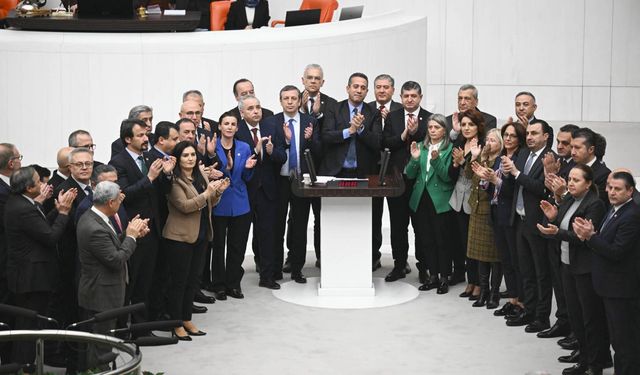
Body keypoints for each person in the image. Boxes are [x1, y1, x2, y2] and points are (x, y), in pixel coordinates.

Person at [537, 164, 610, 375]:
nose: (570, 183)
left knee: (589, 319)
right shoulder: (569, 199)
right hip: (567, 264)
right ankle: (583, 356)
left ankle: (593, 365)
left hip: (584, 268)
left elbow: (582, 238)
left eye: (576, 180)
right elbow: (563, 225)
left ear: (588, 184)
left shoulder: (594, 204)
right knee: (576, 317)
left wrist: (556, 232)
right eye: (569, 178)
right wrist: (553, 218)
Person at [4, 166, 76, 369]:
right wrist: (63, 213)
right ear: (28, 188)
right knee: (28, 328)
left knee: (29, 326)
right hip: (31, 279)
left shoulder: (21, 202)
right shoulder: (24, 208)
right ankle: (24, 368)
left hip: (28, 275)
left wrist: (54, 210)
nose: (44, 185)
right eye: (40, 182)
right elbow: (50, 237)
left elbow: (41, 226)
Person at [573, 171, 640, 375]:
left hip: (622, 289)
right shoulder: (615, 210)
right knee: (616, 339)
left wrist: (590, 237)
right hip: (609, 286)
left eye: (617, 189)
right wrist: (593, 234)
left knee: (624, 342)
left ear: (630, 191)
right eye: (609, 187)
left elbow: (617, 252)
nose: (611, 192)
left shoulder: (632, 215)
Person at [76, 181, 148, 370]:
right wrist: (131, 237)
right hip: (101, 294)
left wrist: (132, 234)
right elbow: (116, 260)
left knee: (104, 340)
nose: (120, 203)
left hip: (105, 290)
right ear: (110, 202)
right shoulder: (94, 227)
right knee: (101, 343)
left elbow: (111, 246)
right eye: (118, 200)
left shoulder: (97, 217)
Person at [109, 119, 174, 329]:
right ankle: (124, 328)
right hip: (134, 229)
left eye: (147, 134)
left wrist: (167, 174)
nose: (146, 138)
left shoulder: (148, 156)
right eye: (140, 135)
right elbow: (124, 195)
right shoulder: (119, 162)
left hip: (153, 227)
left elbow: (162, 191)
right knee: (133, 281)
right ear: (128, 139)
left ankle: (142, 325)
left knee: (148, 279)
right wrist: (149, 177)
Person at [163, 141, 228, 340]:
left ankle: (186, 319)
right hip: (179, 238)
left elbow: (208, 203)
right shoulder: (174, 180)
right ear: (178, 159)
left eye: (192, 154)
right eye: (185, 155)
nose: (190, 158)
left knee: (192, 282)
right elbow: (184, 206)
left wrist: (217, 192)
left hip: (200, 234)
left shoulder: (200, 177)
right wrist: (207, 193)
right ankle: (176, 323)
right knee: (179, 283)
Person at [501, 119, 554, 333]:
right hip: (519, 219)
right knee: (526, 270)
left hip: (537, 222)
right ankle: (529, 310)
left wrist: (515, 174)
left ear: (545, 136)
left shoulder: (549, 159)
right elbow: (516, 184)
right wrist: (506, 175)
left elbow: (542, 189)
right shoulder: (523, 154)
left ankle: (542, 317)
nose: (530, 136)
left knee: (541, 272)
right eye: (528, 133)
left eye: (535, 133)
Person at [267, 85, 320, 289]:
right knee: (277, 225)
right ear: (280, 101)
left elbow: (319, 149)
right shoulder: (272, 122)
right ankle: (274, 269)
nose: (289, 101)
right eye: (285, 98)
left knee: (299, 225)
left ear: (300, 101)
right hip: (279, 180)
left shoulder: (310, 122)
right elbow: (272, 151)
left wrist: (308, 139)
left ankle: (297, 268)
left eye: (293, 98)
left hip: (302, 180)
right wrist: (287, 142)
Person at [233, 95, 288, 283]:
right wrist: (255, 150)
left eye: (258, 107)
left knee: (268, 234)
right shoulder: (236, 130)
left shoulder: (271, 127)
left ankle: (268, 275)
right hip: (244, 190)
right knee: (239, 237)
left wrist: (272, 152)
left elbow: (282, 157)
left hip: (268, 190)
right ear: (242, 113)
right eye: (250, 108)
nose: (256, 111)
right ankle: (233, 279)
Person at [381, 81, 430, 282]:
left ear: (420, 97)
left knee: (421, 226)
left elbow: (430, 142)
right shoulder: (392, 117)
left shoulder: (428, 118)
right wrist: (403, 135)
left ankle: (424, 268)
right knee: (398, 226)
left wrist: (417, 132)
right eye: (406, 96)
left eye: (414, 96)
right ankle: (399, 265)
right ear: (401, 97)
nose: (410, 99)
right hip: (397, 179)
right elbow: (385, 143)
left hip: (420, 181)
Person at [405, 113, 454, 294]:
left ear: (444, 130)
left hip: (440, 200)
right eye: (430, 127)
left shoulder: (449, 148)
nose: (433, 131)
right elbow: (409, 174)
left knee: (442, 240)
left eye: (437, 127)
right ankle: (432, 276)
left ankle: (444, 278)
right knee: (426, 240)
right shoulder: (420, 146)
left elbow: (447, 177)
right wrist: (415, 159)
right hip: (421, 198)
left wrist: (436, 160)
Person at [212, 112, 257, 299]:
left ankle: (234, 283)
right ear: (220, 127)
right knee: (218, 245)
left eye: (233, 124)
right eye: (226, 123)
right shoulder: (212, 147)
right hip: (218, 203)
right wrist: (226, 168)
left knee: (237, 246)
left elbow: (248, 179)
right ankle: (219, 285)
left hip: (240, 203)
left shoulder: (245, 147)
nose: (229, 127)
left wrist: (247, 168)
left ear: (237, 128)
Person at [489, 123, 526, 318]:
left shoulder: (520, 158)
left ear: (520, 138)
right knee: (506, 259)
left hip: (511, 214)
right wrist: (487, 179)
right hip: (496, 212)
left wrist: (497, 182)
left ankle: (521, 301)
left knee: (515, 259)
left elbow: (514, 191)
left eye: (513, 135)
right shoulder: (501, 157)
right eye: (506, 134)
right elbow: (493, 186)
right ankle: (512, 299)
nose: (509, 138)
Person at [448, 109, 486, 296]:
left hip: (476, 200)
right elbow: (451, 175)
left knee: (476, 244)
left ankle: (479, 284)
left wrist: (464, 161)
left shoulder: (484, 145)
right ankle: (471, 282)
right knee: (464, 243)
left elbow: (478, 173)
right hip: (458, 199)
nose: (467, 128)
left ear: (478, 126)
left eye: (470, 124)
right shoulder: (459, 143)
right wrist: (456, 164)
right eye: (463, 124)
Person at [368, 74, 402, 272]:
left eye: (386, 87)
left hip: (395, 171)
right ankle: (373, 256)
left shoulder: (400, 110)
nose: (382, 90)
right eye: (378, 87)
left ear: (393, 90)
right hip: (372, 170)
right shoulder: (367, 109)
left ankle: (400, 260)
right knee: (373, 216)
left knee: (398, 219)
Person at [467, 128, 504, 308]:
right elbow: (469, 175)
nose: (489, 143)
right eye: (487, 139)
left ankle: (494, 293)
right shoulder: (482, 158)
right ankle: (484, 290)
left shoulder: (501, 162)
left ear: (500, 144)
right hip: (476, 210)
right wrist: (474, 157)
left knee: (494, 256)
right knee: (480, 255)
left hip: (492, 212)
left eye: (493, 140)